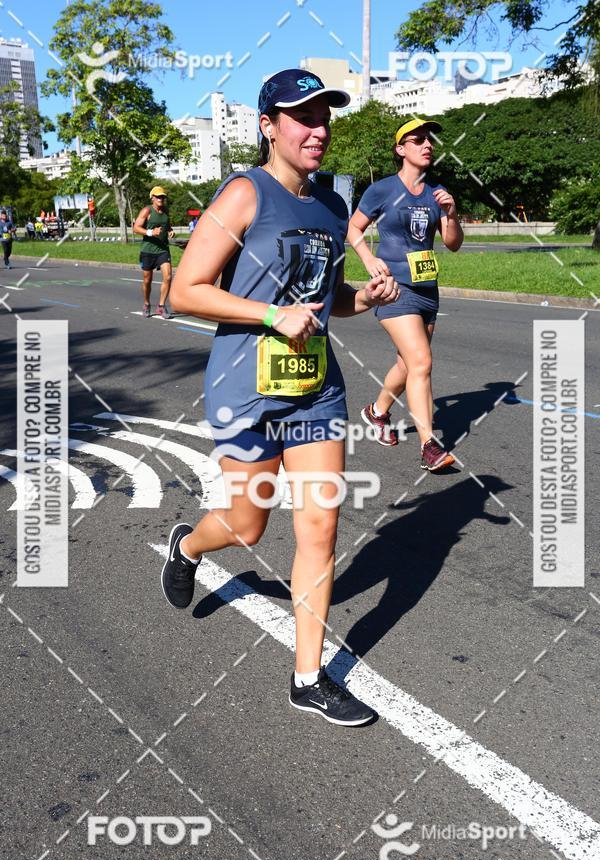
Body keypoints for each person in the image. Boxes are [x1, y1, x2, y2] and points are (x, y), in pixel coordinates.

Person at [164, 68, 399, 727]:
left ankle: (307, 678)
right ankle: (188, 547)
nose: (317, 128)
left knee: (320, 525)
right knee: (246, 526)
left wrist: (363, 300)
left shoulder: (329, 204)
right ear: (269, 126)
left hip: (315, 392)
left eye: (325, 117)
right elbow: (186, 289)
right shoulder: (245, 193)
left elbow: (323, 302)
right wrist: (270, 317)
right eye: (303, 116)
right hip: (247, 389)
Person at [348, 116, 464, 471]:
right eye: (418, 140)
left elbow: (453, 244)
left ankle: (377, 412)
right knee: (422, 362)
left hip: (428, 290)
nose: (427, 145)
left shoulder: (436, 192)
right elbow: (353, 228)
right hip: (394, 289)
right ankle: (430, 445)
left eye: (429, 140)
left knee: (408, 362)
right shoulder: (382, 189)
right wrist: (369, 258)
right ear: (401, 149)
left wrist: (452, 213)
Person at [133, 186, 175, 318]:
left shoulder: (166, 211)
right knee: (147, 280)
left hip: (163, 249)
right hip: (148, 250)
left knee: (168, 277)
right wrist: (151, 232)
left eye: (162, 196)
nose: (161, 199)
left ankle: (161, 307)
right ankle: (146, 304)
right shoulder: (147, 210)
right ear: (152, 198)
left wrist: (170, 231)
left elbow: (167, 227)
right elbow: (136, 228)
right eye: (158, 197)